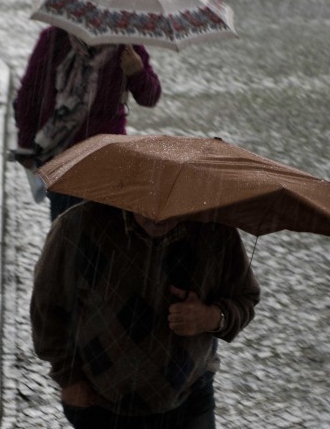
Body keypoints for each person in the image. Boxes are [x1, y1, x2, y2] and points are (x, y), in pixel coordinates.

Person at [30, 201, 261, 429]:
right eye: (150, 199)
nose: (158, 217)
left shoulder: (216, 231)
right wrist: (69, 379)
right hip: (102, 406)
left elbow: (245, 297)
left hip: (190, 400)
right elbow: (47, 306)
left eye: (172, 201)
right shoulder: (76, 226)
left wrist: (210, 317)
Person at [13, 26, 162, 220]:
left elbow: (150, 97)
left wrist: (137, 72)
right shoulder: (55, 38)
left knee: (103, 231)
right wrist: (25, 146)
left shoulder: (127, 45)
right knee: (67, 227)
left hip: (107, 157)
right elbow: (30, 94)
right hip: (62, 154)